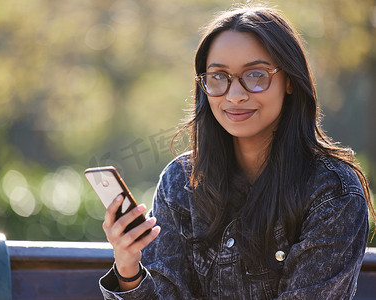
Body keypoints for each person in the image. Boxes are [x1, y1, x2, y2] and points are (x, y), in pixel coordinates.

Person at [99, 5, 375, 299]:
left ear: (291, 81)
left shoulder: (333, 192)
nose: (235, 95)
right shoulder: (179, 182)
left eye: (256, 75)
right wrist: (128, 268)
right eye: (219, 77)